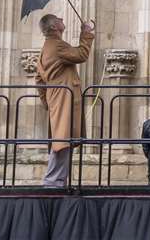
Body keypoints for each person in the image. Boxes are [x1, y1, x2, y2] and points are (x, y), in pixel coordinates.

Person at [35, 13, 94, 187]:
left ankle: (57, 180)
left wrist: (47, 101)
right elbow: (81, 54)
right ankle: (53, 181)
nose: (63, 19)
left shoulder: (46, 46)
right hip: (63, 97)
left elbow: (38, 79)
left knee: (63, 138)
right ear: (54, 27)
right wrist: (86, 34)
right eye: (59, 19)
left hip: (56, 97)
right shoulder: (57, 45)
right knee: (62, 140)